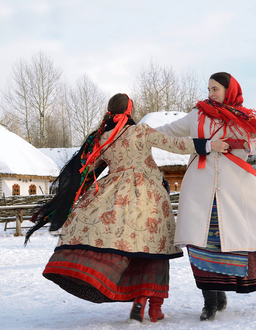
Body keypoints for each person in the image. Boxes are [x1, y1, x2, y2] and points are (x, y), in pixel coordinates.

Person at [25, 93, 228, 323]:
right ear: (130, 110)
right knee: (153, 249)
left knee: (128, 248)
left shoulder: (103, 138)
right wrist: (210, 145)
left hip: (114, 196)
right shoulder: (140, 131)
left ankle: (137, 305)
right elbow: (176, 144)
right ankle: (153, 307)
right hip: (148, 197)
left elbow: (86, 171)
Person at [154, 72, 256, 321]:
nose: (211, 94)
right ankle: (209, 300)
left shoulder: (243, 118)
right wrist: (142, 132)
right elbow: (168, 132)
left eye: (216, 89)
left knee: (227, 241)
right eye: (209, 89)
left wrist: (242, 143)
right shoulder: (197, 115)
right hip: (199, 190)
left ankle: (220, 292)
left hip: (234, 190)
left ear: (229, 90)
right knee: (200, 243)